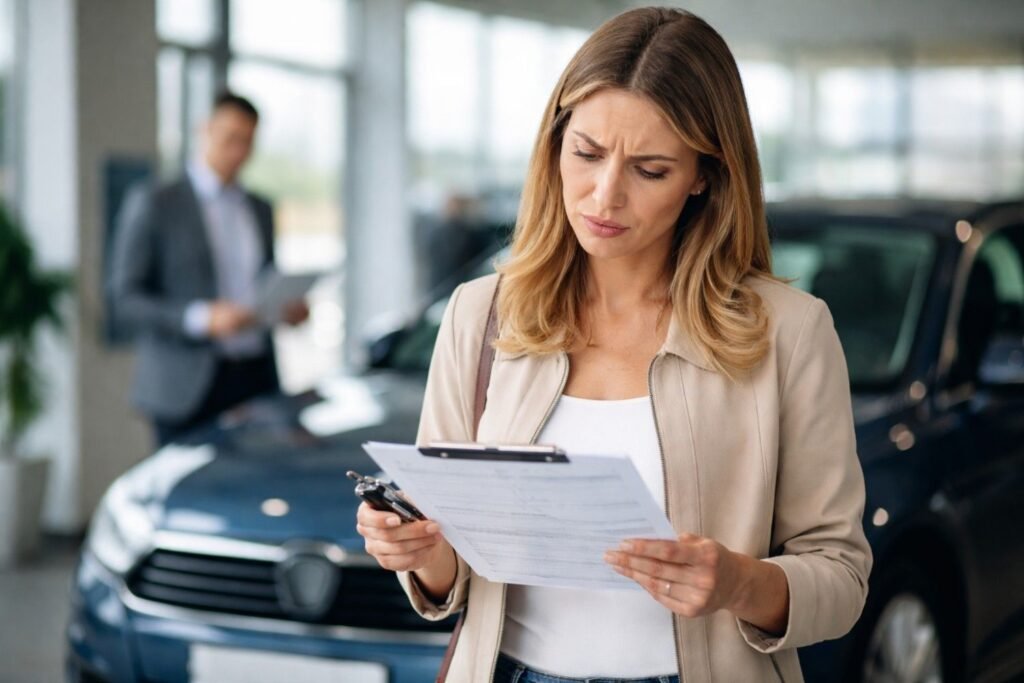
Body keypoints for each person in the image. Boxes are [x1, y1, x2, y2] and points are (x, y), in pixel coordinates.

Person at [355, 7, 872, 682]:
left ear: (704, 175)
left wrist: (742, 583)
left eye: (651, 169)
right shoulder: (479, 313)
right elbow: (452, 567)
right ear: (555, 145)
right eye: (588, 153)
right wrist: (415, 548)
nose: (605, 195)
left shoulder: (790, 333)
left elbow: (842, 576)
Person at [110, 91, 308, 447]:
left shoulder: (259, 208)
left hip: (254, 378)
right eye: (230, 138)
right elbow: (125, 298)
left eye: (248, 142)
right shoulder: (156, 202)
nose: (239, 152)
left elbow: (264, 283)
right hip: (185, 385)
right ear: (204, 130)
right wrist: (201, 318)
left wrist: (284, 308)